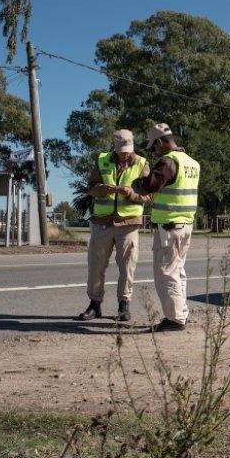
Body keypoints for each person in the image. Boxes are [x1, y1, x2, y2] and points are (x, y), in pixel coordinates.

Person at [132, 123, 201, 332]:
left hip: (169, 227)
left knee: (166, 272)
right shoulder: (192, 163)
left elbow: (149, 186)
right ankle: (181, 313)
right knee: (178, 271)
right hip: (185, 225)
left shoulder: (168, 162)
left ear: (160, 142)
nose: (154, 150)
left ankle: (174, 318)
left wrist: (138, 182)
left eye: (154, 146)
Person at [77, 129, 150, 322]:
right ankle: (95, 304)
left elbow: (149, 195)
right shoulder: (102, 160)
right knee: (95, 265)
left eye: (127, 149)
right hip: (102, 222)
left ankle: (123, 305)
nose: (125, 153)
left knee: (127, 267)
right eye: (121, 150)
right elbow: (91, 188)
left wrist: (130, 194)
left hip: (129, 224)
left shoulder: (142, 163)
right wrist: (104, 189)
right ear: (115, 147)